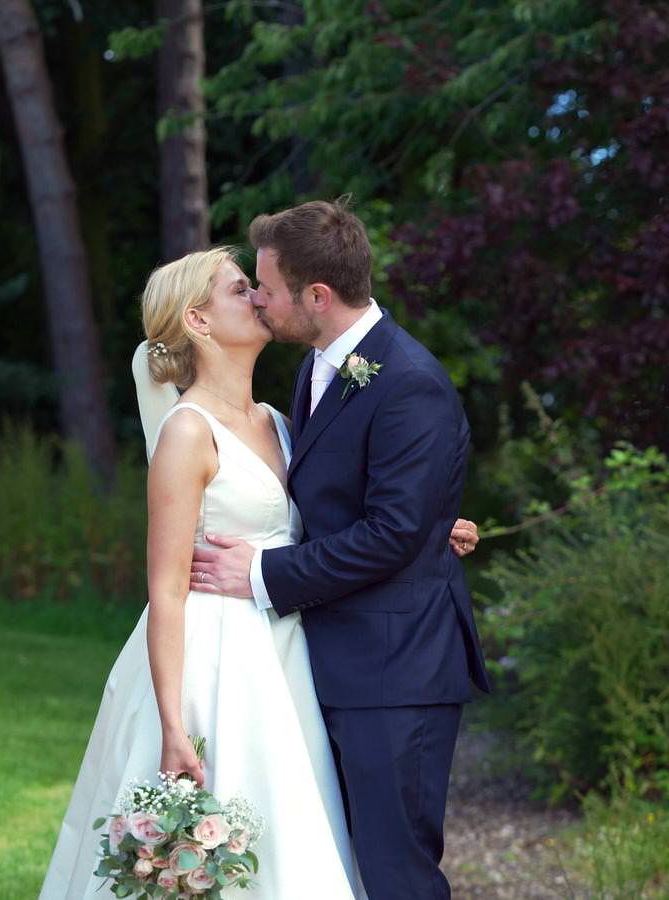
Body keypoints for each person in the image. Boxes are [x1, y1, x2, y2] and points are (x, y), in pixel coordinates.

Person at [39, 245, 481, 898]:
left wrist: (425, 526)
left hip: (288, 660)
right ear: (198, 320)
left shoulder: (281, 419)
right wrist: (172, 726)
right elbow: (164, 587)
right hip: (213, 667)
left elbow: (335, 517)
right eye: (240, 288)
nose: (258, 298)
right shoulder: (187, 433)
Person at [190, 198, 490, 899]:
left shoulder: (410, 382)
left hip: (395, 673)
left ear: (316, 296)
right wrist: (429, 524)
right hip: (337, 661)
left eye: (265, 287)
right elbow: (365, 504)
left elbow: (389, 535)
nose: (257, 300)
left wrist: (263, 572)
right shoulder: (322, 367)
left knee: (395, 876)